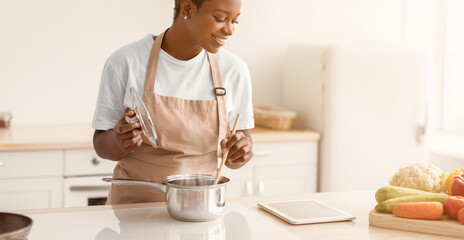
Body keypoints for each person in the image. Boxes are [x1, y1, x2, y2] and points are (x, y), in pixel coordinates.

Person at [92, 0, 254, 204]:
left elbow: (242, 144)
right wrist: (118, 141)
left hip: (200, 210)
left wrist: (240, 153)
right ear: (187, 8)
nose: (229, 30)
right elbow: (100, 144)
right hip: (132, 212)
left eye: (235, 21)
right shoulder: (125, 62)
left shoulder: (234, 70)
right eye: (220, 19)